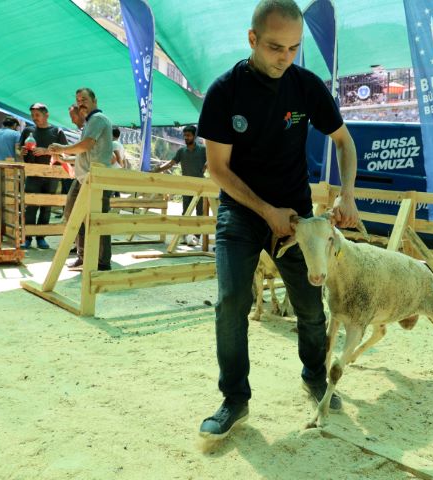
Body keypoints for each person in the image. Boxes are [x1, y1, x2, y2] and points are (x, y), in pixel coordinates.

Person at [196, 0, 359, 439]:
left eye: (292, 48)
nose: (284, 57)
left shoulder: (306, 87)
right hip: (243, 212)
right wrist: (266, 211)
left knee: (310, 305)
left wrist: (347, 194)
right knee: (231, 302)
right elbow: (217, 169)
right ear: (252, 39)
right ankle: (234, 399)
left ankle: (314, 376)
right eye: (274, 47)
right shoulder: (224, 92)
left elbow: (344, 141)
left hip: (298, 218)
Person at [48, 88, 114, 271]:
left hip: (97, 178)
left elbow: (86, 146)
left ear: (94, 100)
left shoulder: (98, 119)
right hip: (84, 178)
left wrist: (62, 148)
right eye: (78, 100)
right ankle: (84, 256)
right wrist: (65, 157)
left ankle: (101, 262)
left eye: (84, 99)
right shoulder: (90, 122)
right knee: (72, 214)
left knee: (97, 219)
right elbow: (85, 152)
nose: (81, 103)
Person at [19, 103, 68, 250]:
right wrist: (21, 152)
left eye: (37, 115)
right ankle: (27, 237)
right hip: (33, 173)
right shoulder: (28, 131)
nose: (34, 118)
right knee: (30, 206)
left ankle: (41, 237)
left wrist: (46, 152)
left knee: (46, 206)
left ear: (46, 115)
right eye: (32, 115)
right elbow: (20, 150)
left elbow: (65, 153)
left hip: (52, 174)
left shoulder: (57, 131)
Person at [152, 125, 207, 245]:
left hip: (200, 187)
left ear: (194, 136)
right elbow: (171, 163)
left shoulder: (203, 150)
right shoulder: (181, 151)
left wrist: (205, 166)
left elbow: (211, 160)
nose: (186, 138)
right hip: (186, 186)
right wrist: (157, 170)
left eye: (188, 135)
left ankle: (197, 237)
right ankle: (184, 235)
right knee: (185, 211)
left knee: (199, 212)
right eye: (184, 135)